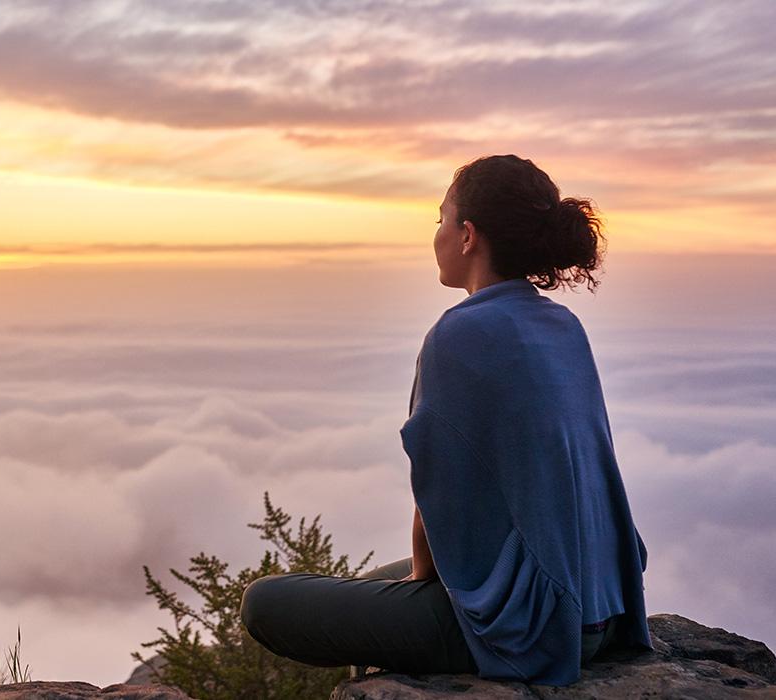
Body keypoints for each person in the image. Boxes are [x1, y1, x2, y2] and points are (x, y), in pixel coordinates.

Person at [238, 155, 653, 686]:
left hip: (537, 627)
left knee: (266, 602)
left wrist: (422, 585)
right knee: (369, 584)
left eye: (440, 220)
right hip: (603, 605)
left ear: (467, 236)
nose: (435, 234)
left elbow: (438, 499)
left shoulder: (460, 334)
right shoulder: (561, 324)